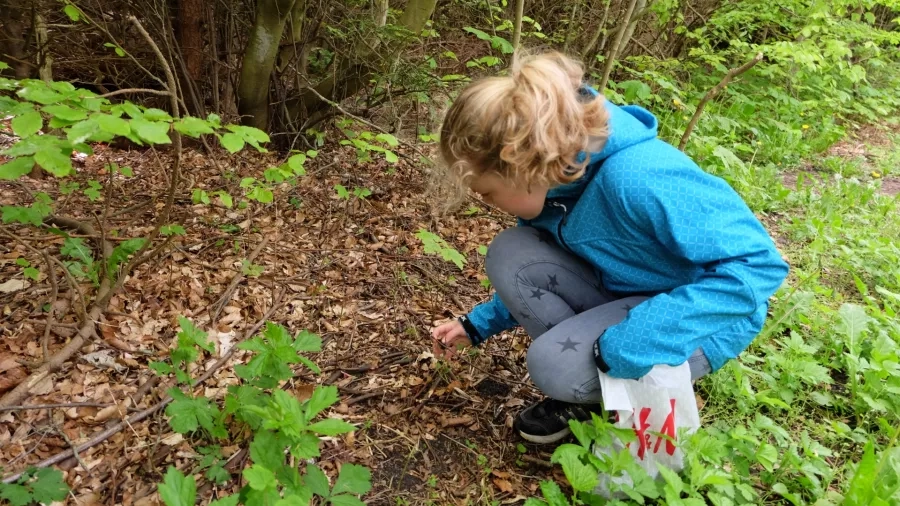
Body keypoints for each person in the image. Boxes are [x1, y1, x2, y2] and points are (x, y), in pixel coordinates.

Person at [429, 51, 789, 444]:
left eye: (488, 192)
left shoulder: (640, 176)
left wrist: (636, 340)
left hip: (696, 317)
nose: (487, 202)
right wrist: (476, 325)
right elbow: (548, 268)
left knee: (553, 367)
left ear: (520, 163)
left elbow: (758, 264)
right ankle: (597, 386)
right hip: (624, 294)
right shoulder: (552, 185)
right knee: (510, 252)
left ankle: (607, 391)